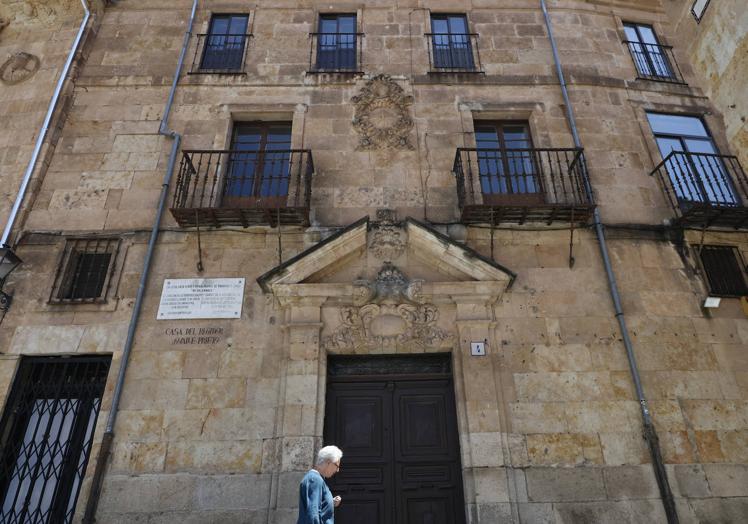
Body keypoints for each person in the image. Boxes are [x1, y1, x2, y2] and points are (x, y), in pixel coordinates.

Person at [296, 445, 343, 524]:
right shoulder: (314, 479)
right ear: (329, 462)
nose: (337, 470)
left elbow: (318, 506)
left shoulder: (316, 479)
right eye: (337, 466)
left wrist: (331, 502)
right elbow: (313, 514)